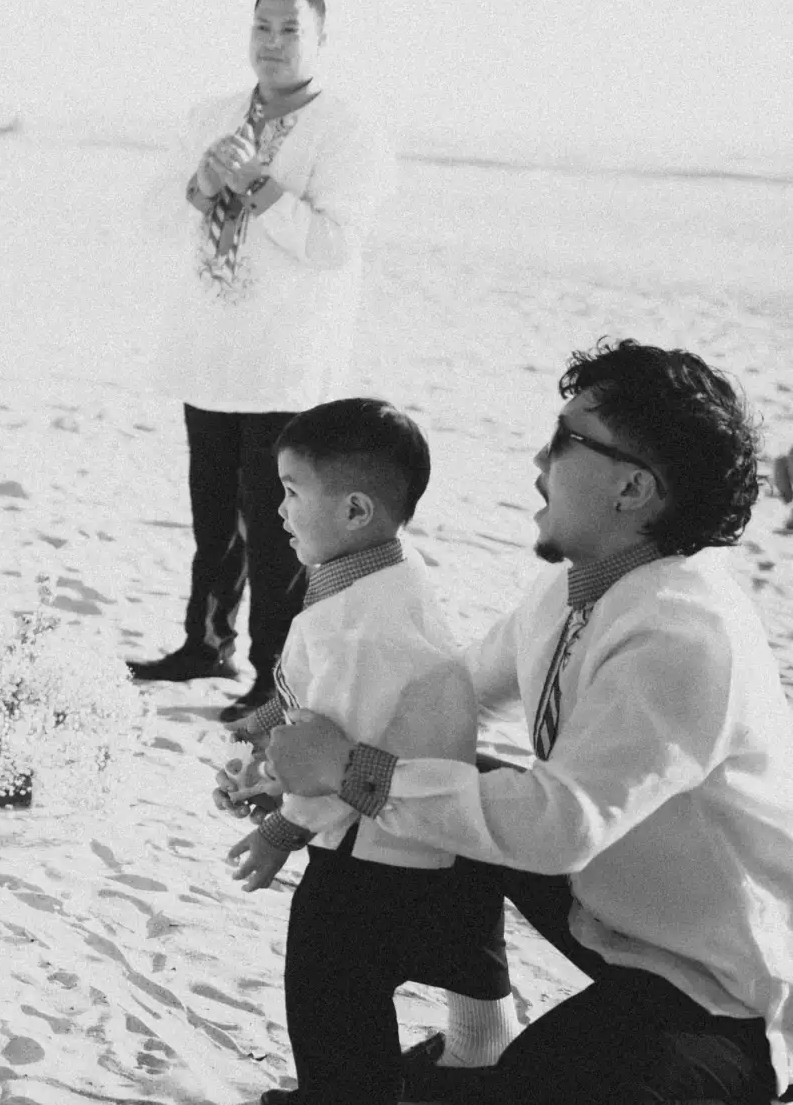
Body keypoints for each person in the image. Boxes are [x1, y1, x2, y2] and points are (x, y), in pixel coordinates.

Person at [270, 341, 793, 1104]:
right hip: (617, 916)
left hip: (728, 985)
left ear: (633, 487)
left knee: (535, 1088)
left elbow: (560, 826)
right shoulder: (575, 588)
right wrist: (304, 757)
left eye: (564, 440)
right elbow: (447, 688)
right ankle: (432, 1057)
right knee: (422, 811)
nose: (537, 459)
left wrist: (349, 767)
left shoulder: (684, 633)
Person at [219, 398, 515, 1103]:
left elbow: (331, 756)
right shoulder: (388, 574)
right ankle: (476, 1057)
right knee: (460, 949)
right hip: (438, 834)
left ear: (355, 511)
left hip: (375, 848)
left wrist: (279, 829)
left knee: (329, 986)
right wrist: (263, 732)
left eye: (292, 492)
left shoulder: (363, 626)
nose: (279, 507)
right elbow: (318, 703)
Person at [127, 0, 395, 722]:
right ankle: (203, 642)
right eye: (262, 28)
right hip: (207, 349)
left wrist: (261, 185)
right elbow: (152, 217)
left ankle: (274, 674)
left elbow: (336, 245)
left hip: (285, 359)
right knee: (212, 513)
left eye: (290, 31)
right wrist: (203, 177)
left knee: (278, 523)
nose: (272, 44)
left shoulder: (347, 129)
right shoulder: (211, 115)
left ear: (320, 40)